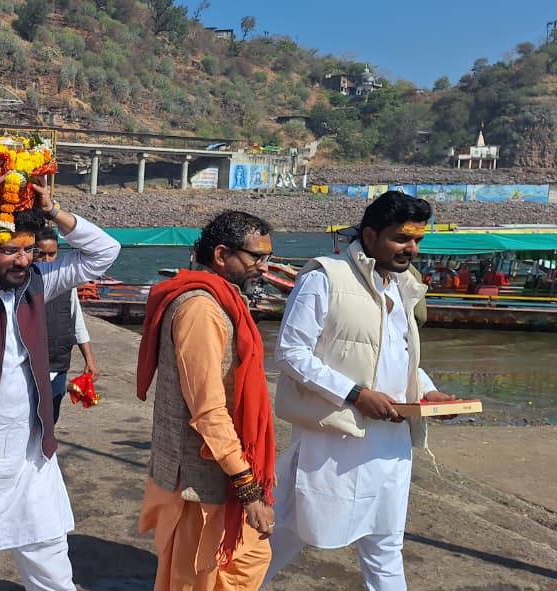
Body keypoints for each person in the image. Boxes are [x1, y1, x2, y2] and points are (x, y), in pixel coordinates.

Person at [0, 161, 120, 590]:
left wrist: (52, 210)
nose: (22, 259)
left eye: (28, 250)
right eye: (10, 250)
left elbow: (105, 252)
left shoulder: (38, 281)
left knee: (51, 564)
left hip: (32, 453)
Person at [266, 191, 457, 591]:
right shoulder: (325, 277)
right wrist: (355, 394)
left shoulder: (401, 285)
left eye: (417, 240)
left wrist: (428, 393)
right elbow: (291, 353)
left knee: (385, 543)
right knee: (290, 528)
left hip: (391, 442)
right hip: (335, 437)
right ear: (369, 235)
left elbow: (399, 355)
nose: (411, 249)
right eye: (401, 238)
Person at [135, 211, 277, 591]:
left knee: (239, 567)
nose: (265, 268)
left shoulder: (219, 301)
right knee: (198, 579)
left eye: (267, 258)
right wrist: (247, 486)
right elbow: (208, 410)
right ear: (221, 255)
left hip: (217, 470)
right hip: (200, 479)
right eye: (256, 257)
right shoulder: (201, 309)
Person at [34, 227, 98, 422]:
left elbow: (77, 322)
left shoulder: (66, 284)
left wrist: (89, 360)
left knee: (51, 417)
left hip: (59, 363)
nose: (47, 260)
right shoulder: (23, 285)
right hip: (32, 365)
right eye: (41, 255)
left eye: (51, 254)